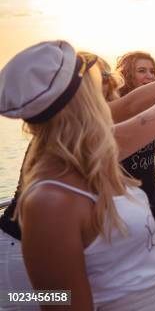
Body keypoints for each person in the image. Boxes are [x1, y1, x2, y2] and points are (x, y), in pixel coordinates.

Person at [0, 40, 155, 310]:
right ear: (79, 98)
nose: (108, 82)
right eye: (95, 77)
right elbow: (64, 301)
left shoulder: (89, 144)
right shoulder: (52, 198)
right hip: (16, 266)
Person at [0, 55, 123, 309]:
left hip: (53, 248)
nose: (105, 82)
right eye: (97, 78)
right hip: (16, 250)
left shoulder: (92, 126)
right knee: (22, 304)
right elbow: (152, 113)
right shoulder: (72, 131)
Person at [116, 51, 155, 236]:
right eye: (142, 70)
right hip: (126, 198)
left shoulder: (151, 108)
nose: (149, 75)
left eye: (152, 71)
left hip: (152, 192)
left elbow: (138, 144)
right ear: (127, 75)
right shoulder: (117, 110)